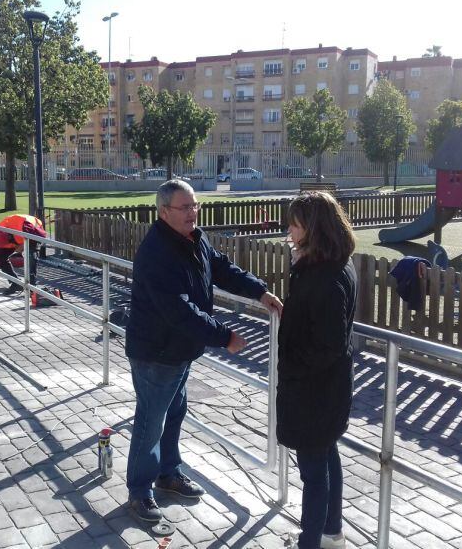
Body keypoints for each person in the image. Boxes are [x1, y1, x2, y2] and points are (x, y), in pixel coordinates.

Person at [125, 179, 283, 522]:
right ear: (164, 211)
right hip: (156, 352)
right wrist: (224, 336)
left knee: (174, 412)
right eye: (185, 207)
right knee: (151, 422)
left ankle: (168, 474)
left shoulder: (195, 238)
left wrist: (259, 292)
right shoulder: (156, 252)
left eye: (196, 205)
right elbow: (178, 310)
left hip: (180, 351)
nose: (193, 213)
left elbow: (221, 268)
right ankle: (139, 491)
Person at [276, 192, 357, 549]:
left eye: (295, 225)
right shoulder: (330, 264)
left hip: (315, 391)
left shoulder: (324, 277)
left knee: (313, 471)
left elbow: (328, 343)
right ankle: (331, 533)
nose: (289, 231)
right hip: (326, 387)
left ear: (314, 229)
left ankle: (310, 542)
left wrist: (292, 364)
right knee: (326, 455)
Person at [0, 214, 46, 299]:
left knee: (31, 258)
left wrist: (23, 245)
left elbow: (43, 235)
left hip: (32, 233)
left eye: (7, 244)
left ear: (10, 237)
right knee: (1, 260)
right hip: (16, 237)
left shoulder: (26, 227)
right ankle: (16, 283)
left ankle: (32, 289)